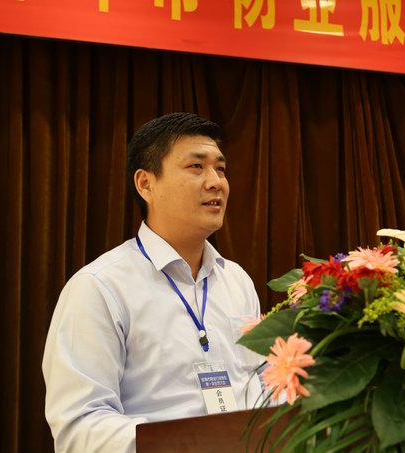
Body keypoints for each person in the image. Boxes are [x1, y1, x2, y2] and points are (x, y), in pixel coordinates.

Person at [42, 113, 264, 452]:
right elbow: (80, 426)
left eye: (220, 169)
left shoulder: (237, 280)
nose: (216, 182)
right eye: (196, 167)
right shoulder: (99, 287)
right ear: (146, 184)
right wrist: (193, 444)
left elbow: (260, 382)